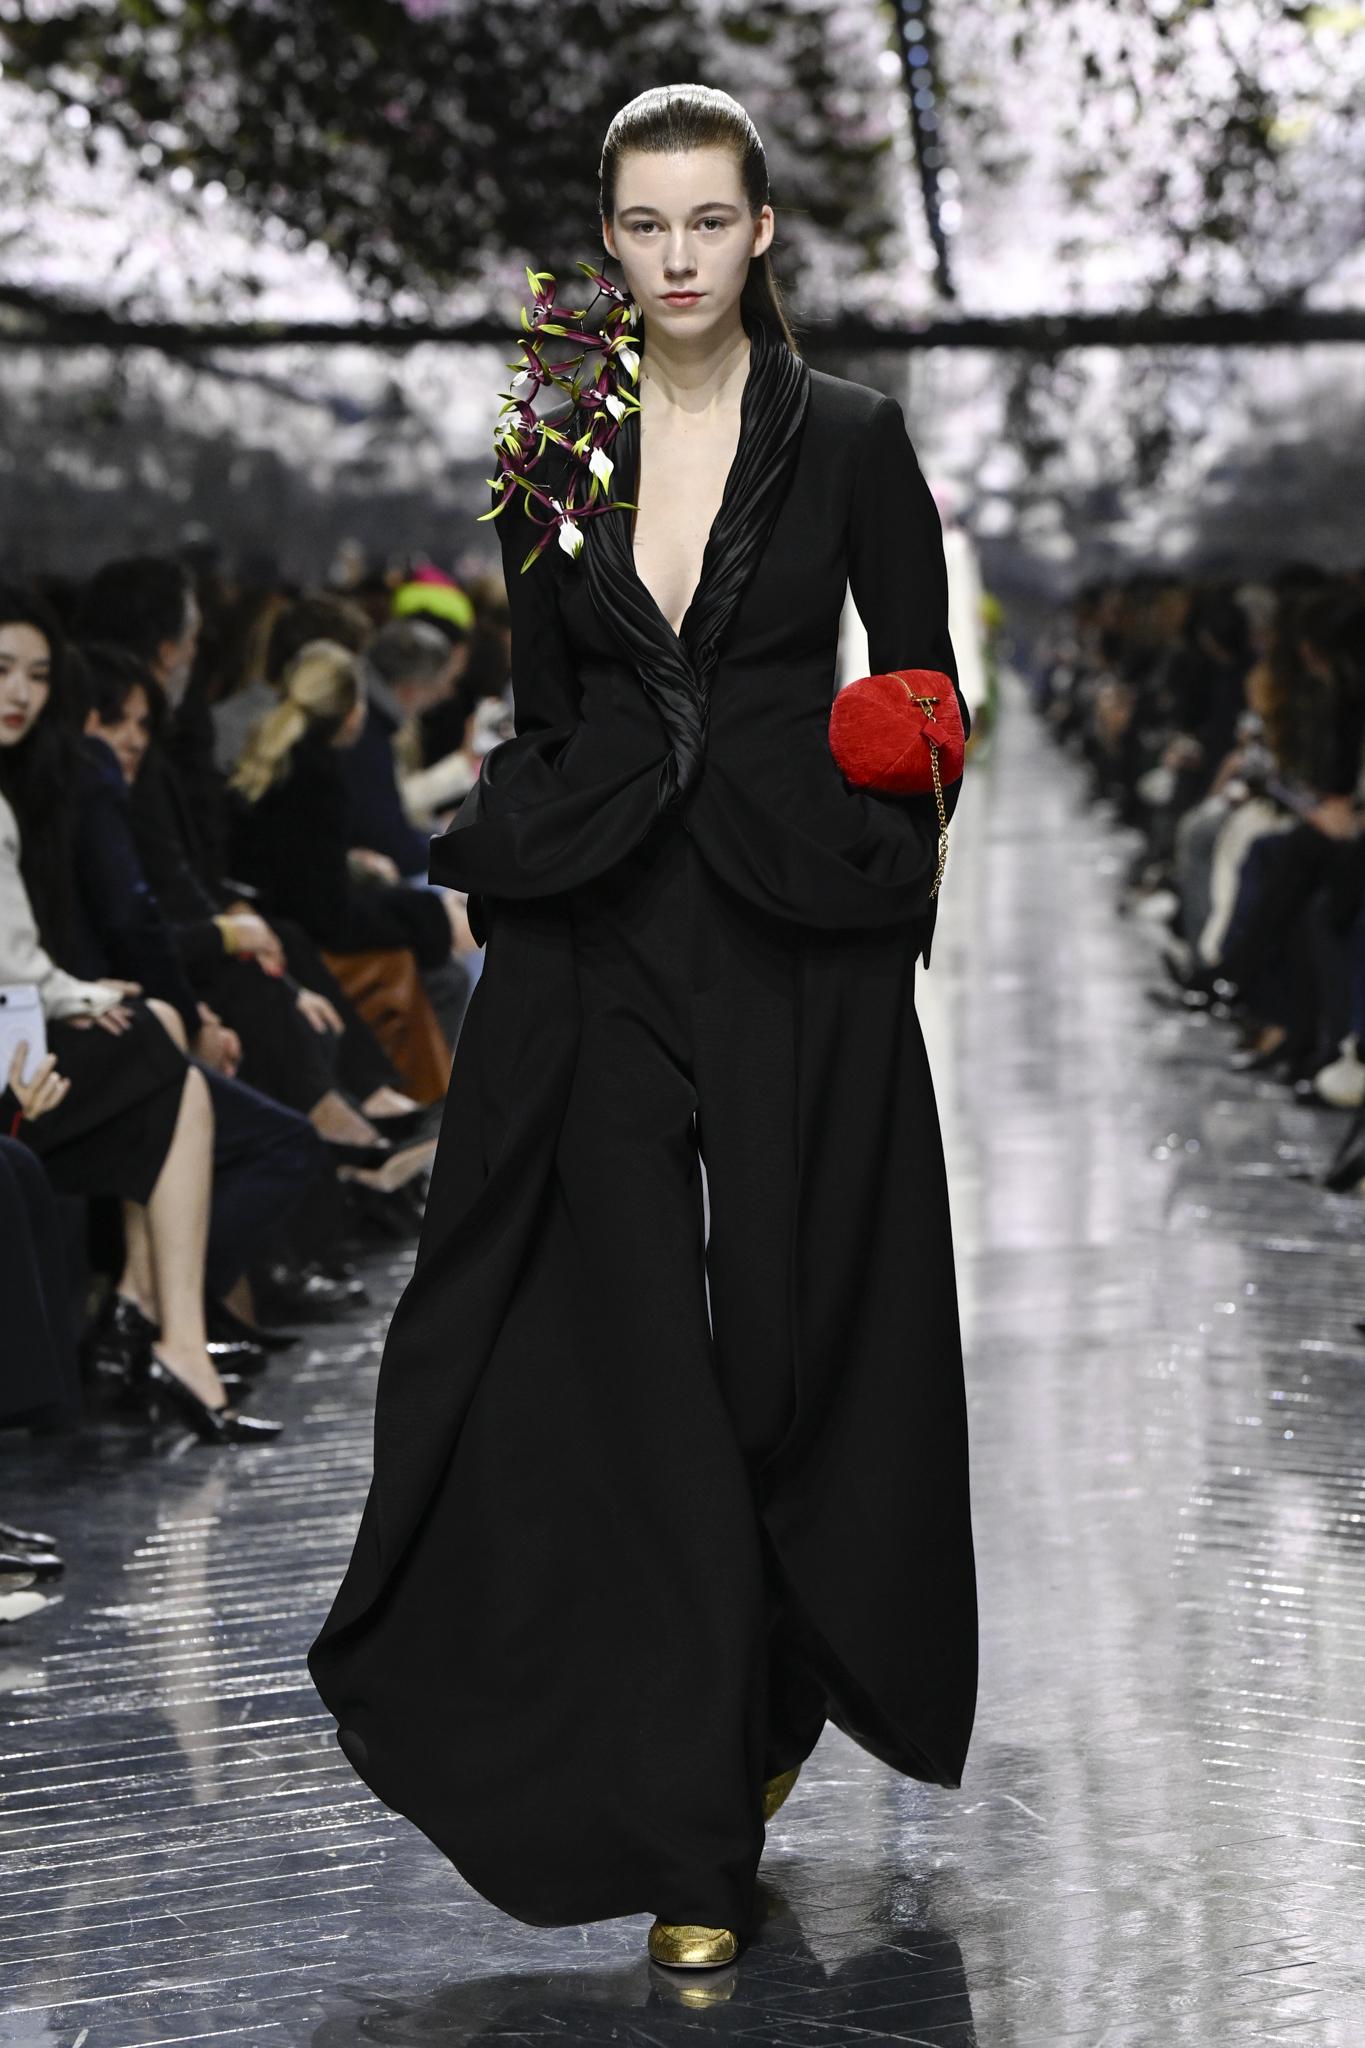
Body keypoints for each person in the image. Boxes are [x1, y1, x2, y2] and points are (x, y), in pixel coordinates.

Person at [308, 83, 977, 1969]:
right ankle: (692, 1834)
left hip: (788, 930)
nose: (677, 256)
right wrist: (518, 862)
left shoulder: (851, 437)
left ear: (760, 233)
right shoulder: (551, 435)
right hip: (596, 923)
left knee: (777, 1351)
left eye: (708, 220)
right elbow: (549, 697)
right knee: (618, 1355)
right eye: (644, 224)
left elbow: (918, 691)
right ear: (607, 242)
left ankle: (765, 1685)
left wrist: (883, 875)